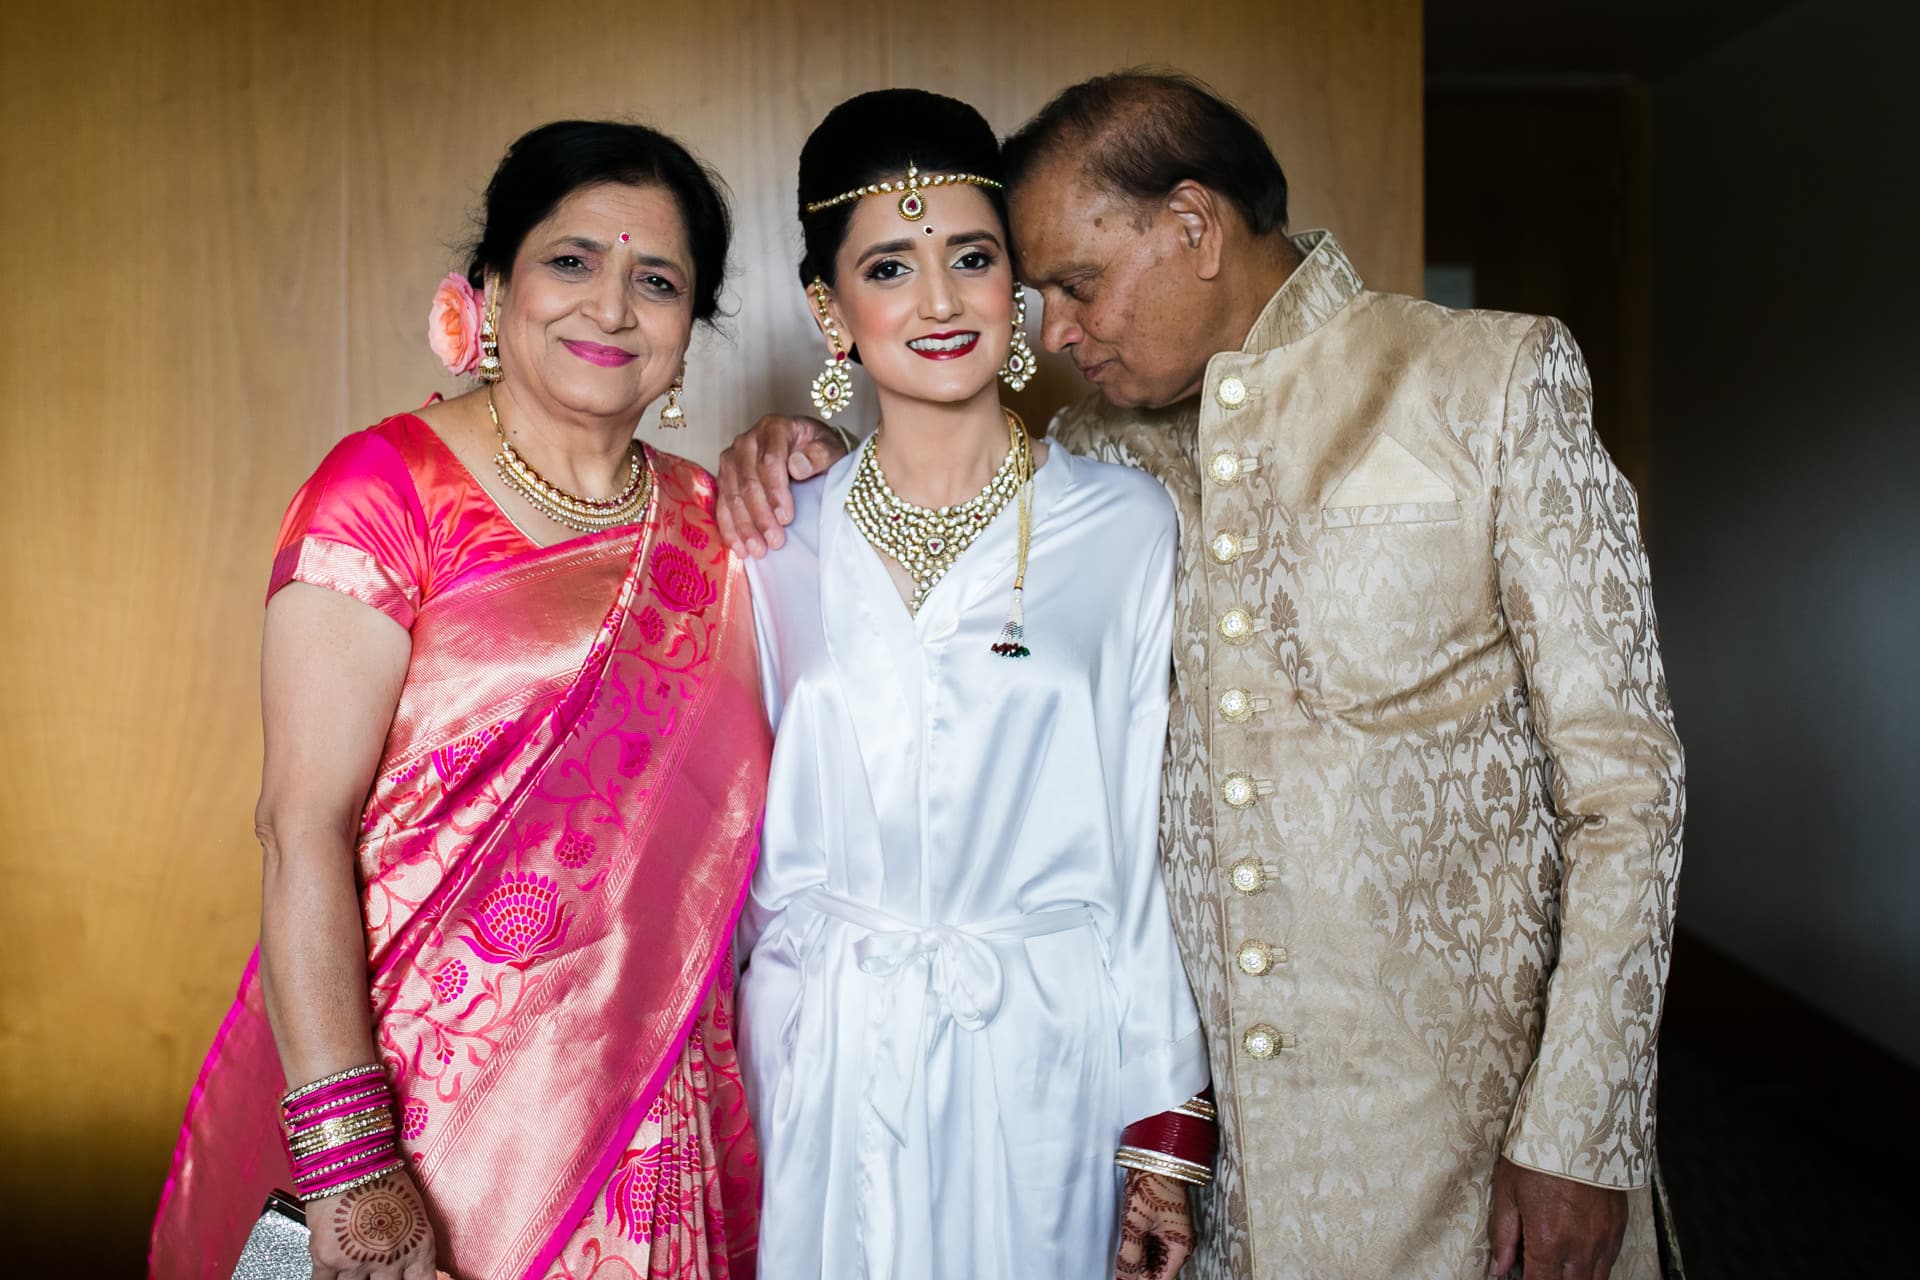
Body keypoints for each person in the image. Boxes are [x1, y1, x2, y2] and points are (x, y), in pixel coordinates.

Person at [716, 72, 1686, 1280]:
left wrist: (1580, 1134)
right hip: (1222, 1187)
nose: (1052, 331)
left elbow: (1627, 791)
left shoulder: (1486, 380)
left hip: (1467, 1152)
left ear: (1192, 223)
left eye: (1069, 282)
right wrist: (779, 453)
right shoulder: (1099, 455)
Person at [150, 121, 769, 1280]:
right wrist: (351, 1164)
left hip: (649, 1117)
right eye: (571, 260)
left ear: (691, 333)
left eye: (658, 280)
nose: (612, 306)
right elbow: (299, 832)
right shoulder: (384, 492)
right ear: (490, 287)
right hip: (417, 1119)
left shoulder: (726, 531)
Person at [733, 89, 1214, 1280]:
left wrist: (1163, 1120)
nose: (940, 300)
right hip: (822, 1061)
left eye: (973, 257)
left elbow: (1140, 843)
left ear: (1017, 284)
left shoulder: (1124, 524)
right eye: (890, 265)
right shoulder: (770, 535)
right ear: (828, 310)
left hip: (1044, 1053)